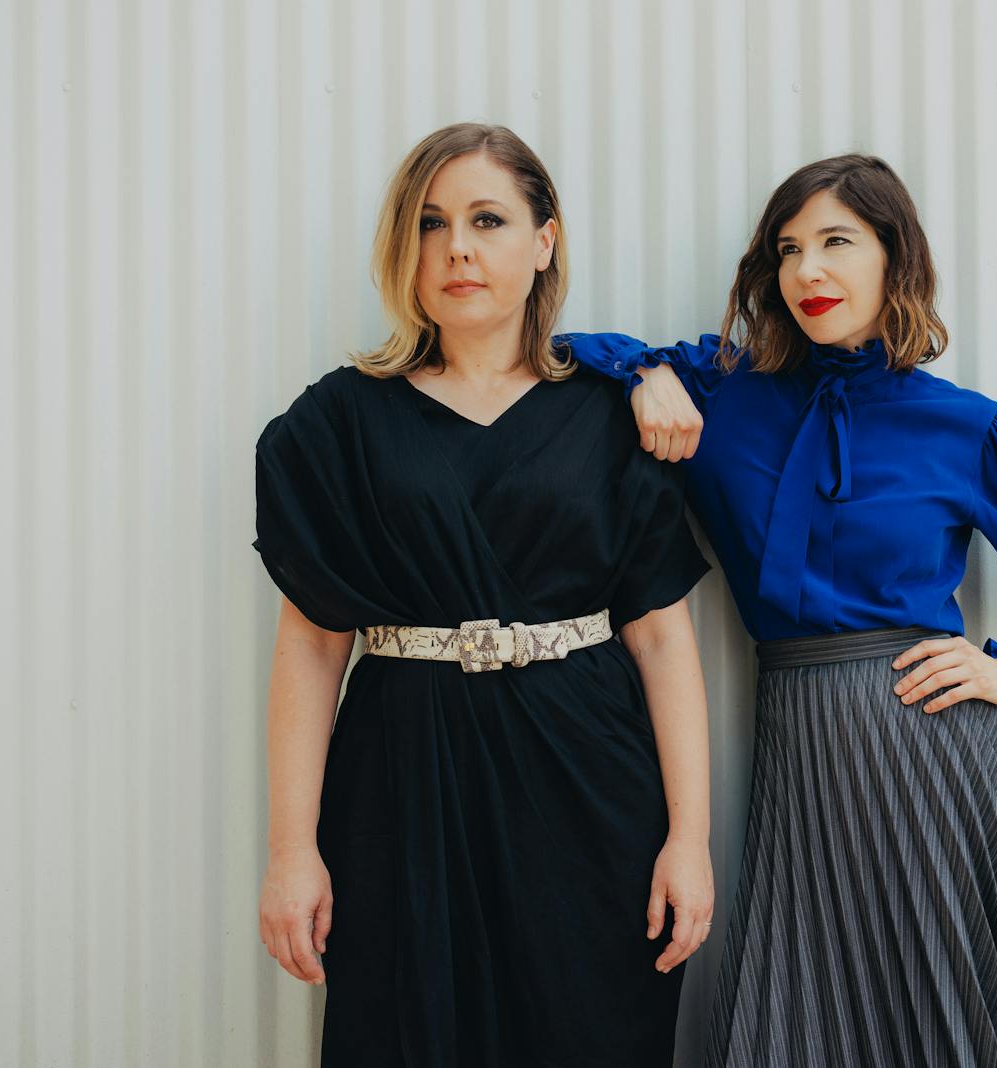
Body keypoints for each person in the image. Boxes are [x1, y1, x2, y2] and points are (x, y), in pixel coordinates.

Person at [563, 153, 997, 1067]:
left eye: (836, 242)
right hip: (802, 745)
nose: (808, 272)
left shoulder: (966, 426)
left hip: (940, 759)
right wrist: (641, 375)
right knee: (806, 1016)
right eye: (789, 249)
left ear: (893, 257)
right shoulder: (724, 393)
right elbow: (555, 350)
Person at [252, 123, 714, 1067]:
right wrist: (291, 851)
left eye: (487, 218)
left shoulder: (612, 412)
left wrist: (690, 839)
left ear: (544, 241)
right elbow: (309, 643)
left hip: (589, 790)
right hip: (399, 783)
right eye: (430, 222)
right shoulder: (336, 422)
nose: (456, 246)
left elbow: (664, 639)